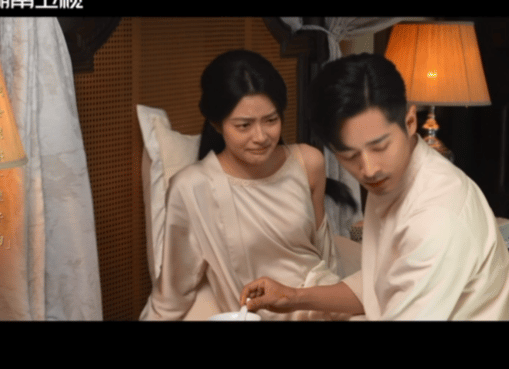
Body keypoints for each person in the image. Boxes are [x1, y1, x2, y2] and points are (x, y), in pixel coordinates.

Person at [240, 53, 509, 320]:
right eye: (349, 155)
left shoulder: (436, 216)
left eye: (380, 146)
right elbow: (381, 286)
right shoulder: (394, 176)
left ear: (410, 122)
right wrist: (292, 297)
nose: (369, 169)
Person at [140, 50, 355, 321]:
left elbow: (326, 257)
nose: (261, 136)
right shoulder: (192, 187)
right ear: (217, 124)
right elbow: (173, 292)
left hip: (324, 306)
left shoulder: (308, 162)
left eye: (271, 120)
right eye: (244, 126)